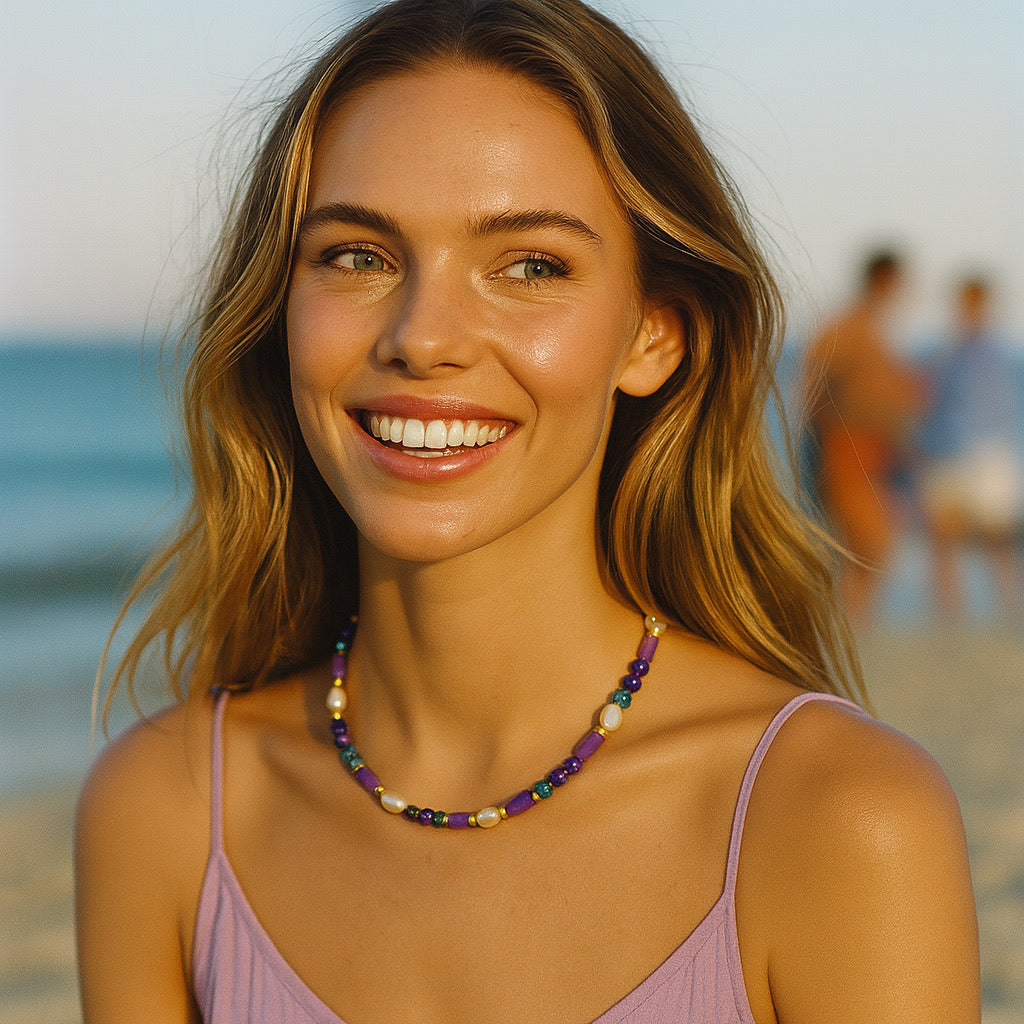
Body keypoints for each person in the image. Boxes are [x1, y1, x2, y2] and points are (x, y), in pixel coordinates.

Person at [75, 2, 979, 1022]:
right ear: (280, 308)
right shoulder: (165, 813)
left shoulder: (836, 820)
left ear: (653, 334)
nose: (423, 337)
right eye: (356, 255)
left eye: (530, 265)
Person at [802, 251, 924, 625]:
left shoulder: (866, 328)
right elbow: (816, 388)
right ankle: (843, 633)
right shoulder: (852, 327)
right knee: (870, 549)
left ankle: (847, 633)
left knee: (865, 552)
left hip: (868, 455)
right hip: (847, 452)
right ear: (886, 281)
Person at [918, 277, 1024, 622]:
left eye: (976, 303)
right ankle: (950, 620)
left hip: (987, 456)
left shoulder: (1001, 356)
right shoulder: (945, 354)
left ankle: (1013, 612)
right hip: (948, 452)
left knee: (998, 539)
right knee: (943, 538)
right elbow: (928, 404)